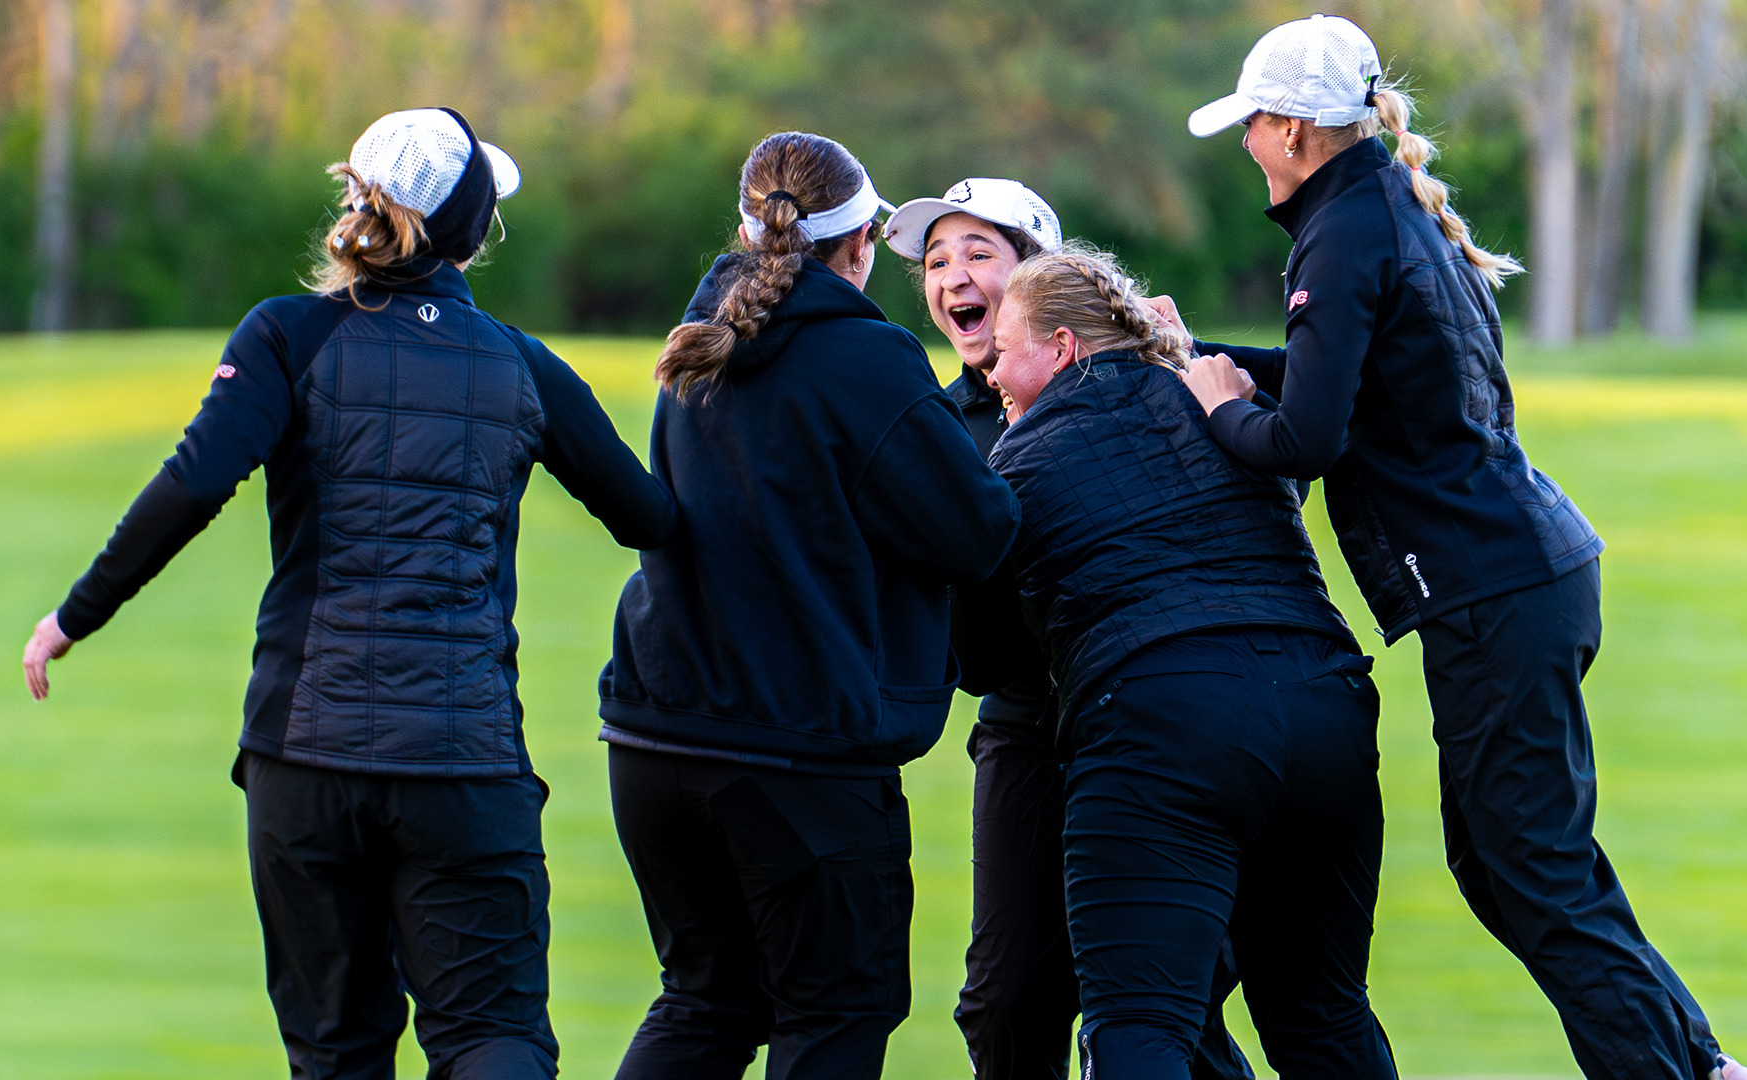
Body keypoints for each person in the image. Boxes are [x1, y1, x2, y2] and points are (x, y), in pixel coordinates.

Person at [19, 108, 676, 1079]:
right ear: (470, 234)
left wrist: (75, 615)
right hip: (462, 761)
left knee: (337, 1053)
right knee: (492, 1040)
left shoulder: (289, 335)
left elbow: (196, 482)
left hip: (305, 759)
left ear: (356, 201)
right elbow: (650, 518)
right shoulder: (520, 364)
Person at [1175, 16, 1747, 1080]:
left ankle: (1683, 1072)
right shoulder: (1376, 205)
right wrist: (1202, 359)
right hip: (1516, 579)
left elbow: (1304, 437)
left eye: (1254, 127)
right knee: (1510, 868)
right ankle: (1699, 1065)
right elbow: (1330, 377)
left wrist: (1218, 407)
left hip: (1494, 592)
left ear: (1298, 131)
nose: (1248, 146)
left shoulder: (1345, 231)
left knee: (1529, 872)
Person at [598, 132, 1021, 1080]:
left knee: (706, 1005)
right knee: (836, 1015)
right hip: (795, 753)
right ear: (864, 242)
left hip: (653, 741)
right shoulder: (866, 359)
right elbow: (978, 530)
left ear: (747, 229)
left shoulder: (698, 343)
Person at [987, 245, 1397, 1080]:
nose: (990, 371)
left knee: (1139, 1024)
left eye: (1003, 349)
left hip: (1163, 721)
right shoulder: (1219, 404)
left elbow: (981, 650)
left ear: (1062, 348)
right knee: (1324, 1017)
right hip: (1326, 707)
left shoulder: (1019, 461)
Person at [884, 180, 1249, 1080]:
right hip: (1027, 729)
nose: (953, 277)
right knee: (1007, 1001)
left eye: (978, 254)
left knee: (1169, 998)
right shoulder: (933, 424)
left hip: (1156, 720)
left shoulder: (1146, 384)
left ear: (1040, 281)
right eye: (937, 262)